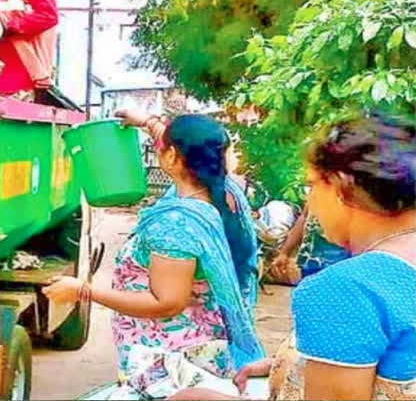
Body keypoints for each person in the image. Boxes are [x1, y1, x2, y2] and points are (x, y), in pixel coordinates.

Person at [171, 113, 416, 401]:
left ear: (339, 186)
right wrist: (288, 365)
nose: (309, 199)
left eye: (311, 185)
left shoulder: (346, 289)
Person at [44, 112, 265, 398]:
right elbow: (188, 146)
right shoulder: (226, 194)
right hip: (207, 346)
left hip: (173, 365)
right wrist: (147, 123)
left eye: (163, 148)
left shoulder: (175, 224)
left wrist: (83, 291)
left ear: (172, 156)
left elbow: (167, 303)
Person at [270, 203, 350, 281]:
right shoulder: (317, 193)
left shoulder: (351, 196)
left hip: (339, 263)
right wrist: (284, 253)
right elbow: (304, 218)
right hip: (310, 264)